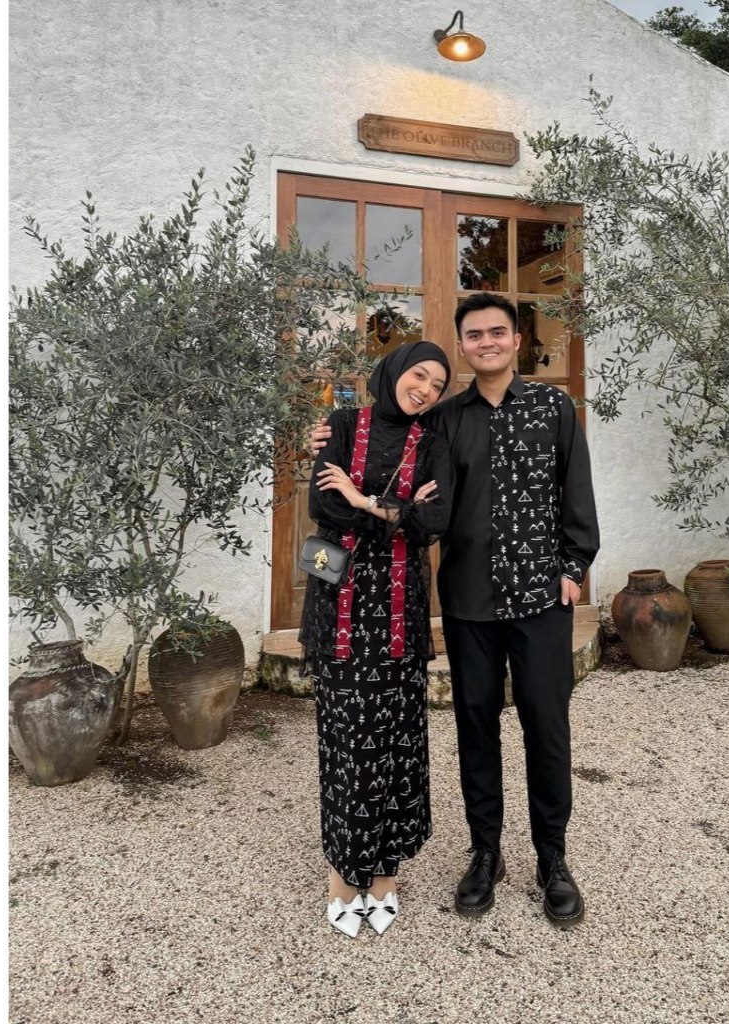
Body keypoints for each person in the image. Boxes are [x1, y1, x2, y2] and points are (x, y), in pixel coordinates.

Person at [311, 294, 599, 927]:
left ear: (516, 340)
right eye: (474, 334)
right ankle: (485, 852)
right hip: (468, 601)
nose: (487, 342)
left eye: (498, 332)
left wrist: (574, 566)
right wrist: (329, 436)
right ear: (464, 345)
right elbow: (390, 453)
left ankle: (552, 858)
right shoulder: (441, 418)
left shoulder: (554, 407)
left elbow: (575, 487)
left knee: (547, 729)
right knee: (476, 729)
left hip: (540, 598)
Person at [299, 341, 454, 938]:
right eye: (420, 375)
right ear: (393, 371)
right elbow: (323, 505)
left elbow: (433, 524)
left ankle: (385, 872)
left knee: (397, 737)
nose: (426, 390)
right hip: (339, 605)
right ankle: (344, 874)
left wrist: (361, 498)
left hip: (399, 612)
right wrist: (397, 512)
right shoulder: (341, 425)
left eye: (438, 385)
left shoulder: (431, 440)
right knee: (345, 737)